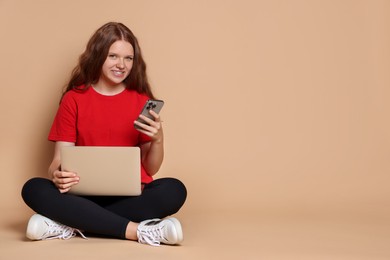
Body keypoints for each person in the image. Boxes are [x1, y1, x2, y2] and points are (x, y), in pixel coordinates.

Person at [21, 22, 187, 246]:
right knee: (34, 188)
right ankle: (139, 231)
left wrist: (158, 139)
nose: (122, 65)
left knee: (174, 190)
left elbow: (151, 169)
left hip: (130, 197)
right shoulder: (74, 98)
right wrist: (57, 174)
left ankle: (70, 223)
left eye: (128, 58)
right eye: (113, 56)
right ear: (98, 56)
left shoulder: (141, 100)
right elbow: (57, 162)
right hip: (81, 195)